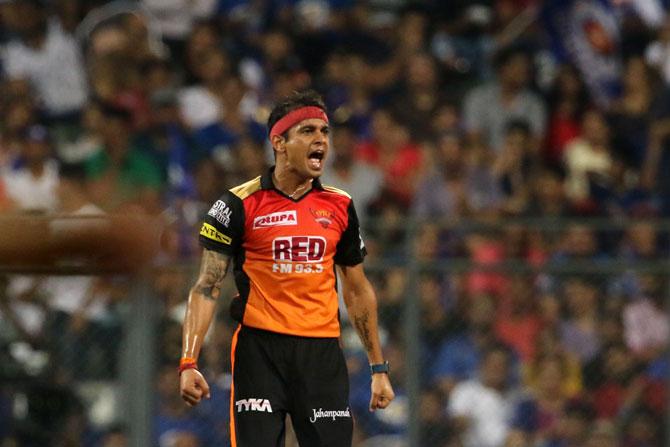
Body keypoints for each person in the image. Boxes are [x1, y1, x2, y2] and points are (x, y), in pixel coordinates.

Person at [178, 90, 395, 446]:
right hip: (259, 354)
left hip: (322, 354)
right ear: (279, 142)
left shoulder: (340, 205)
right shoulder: (236, 204)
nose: (321, 140)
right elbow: (207, 285)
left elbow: (356, 289)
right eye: (308, 131)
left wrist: (378, 368)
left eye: (324, 132)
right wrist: (189, 361)